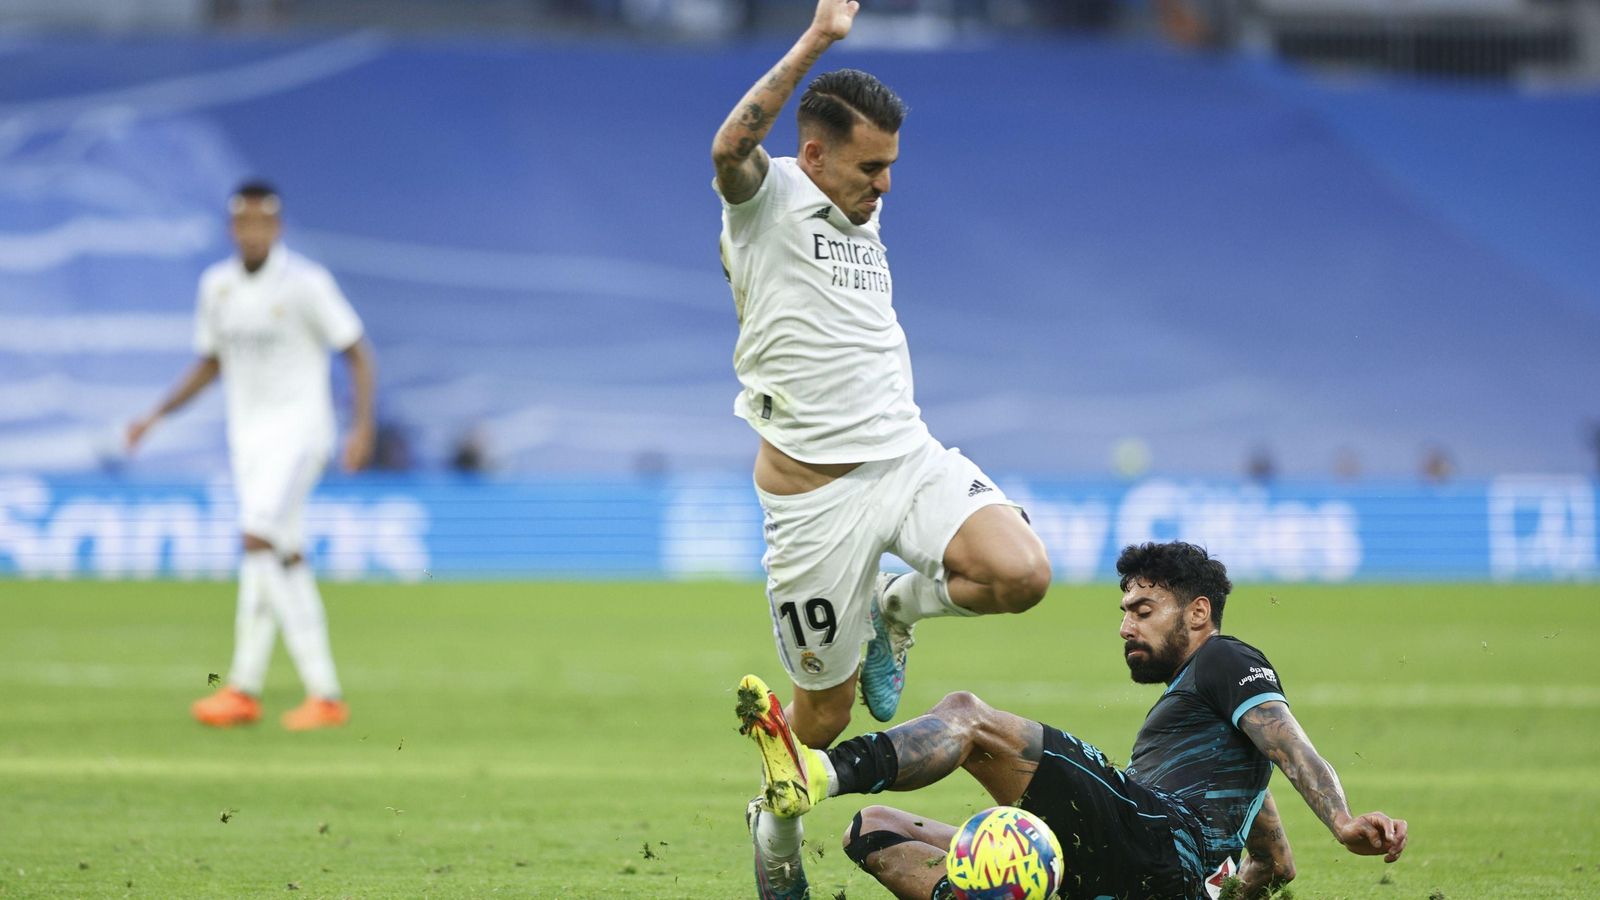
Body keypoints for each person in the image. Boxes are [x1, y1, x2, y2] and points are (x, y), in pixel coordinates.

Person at [713, 3, 1052, 891]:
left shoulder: (860, 211)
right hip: (813, 503)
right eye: (872, 166)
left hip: (906, 459)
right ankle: (773, 836)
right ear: (814, 154)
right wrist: (820, 38)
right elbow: (727, 148)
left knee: (1021, 574)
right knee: (818, 722)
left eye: (894, 166)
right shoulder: (766, 199)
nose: (886, 185)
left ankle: (895, 611)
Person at [737, 541, 1408, 899]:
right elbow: (1276, 864)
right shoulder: (1218, 750)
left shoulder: (1226, 661)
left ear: (1198, 613)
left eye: (1143, 610)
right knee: (874, 831)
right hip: (1137, 869)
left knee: (969, 719)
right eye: (1123, 611)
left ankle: (820, 772)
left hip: (1151, 836)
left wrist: (1344, 822)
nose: (1125, 626)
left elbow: (1288, 743)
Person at [126, 181, 376, 731]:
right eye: (245, 224)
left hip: (302, 434)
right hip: (250, 443)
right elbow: (210, 364)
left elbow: (357, 351)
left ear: (277, 228)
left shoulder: (307, 283)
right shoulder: (216, 288)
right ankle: (247, 690)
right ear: (232, 229)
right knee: (277, 555)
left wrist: (361, 427)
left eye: (264, 223)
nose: (254, 232)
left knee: (258, 538)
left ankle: (321, 691)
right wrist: (156, 415)